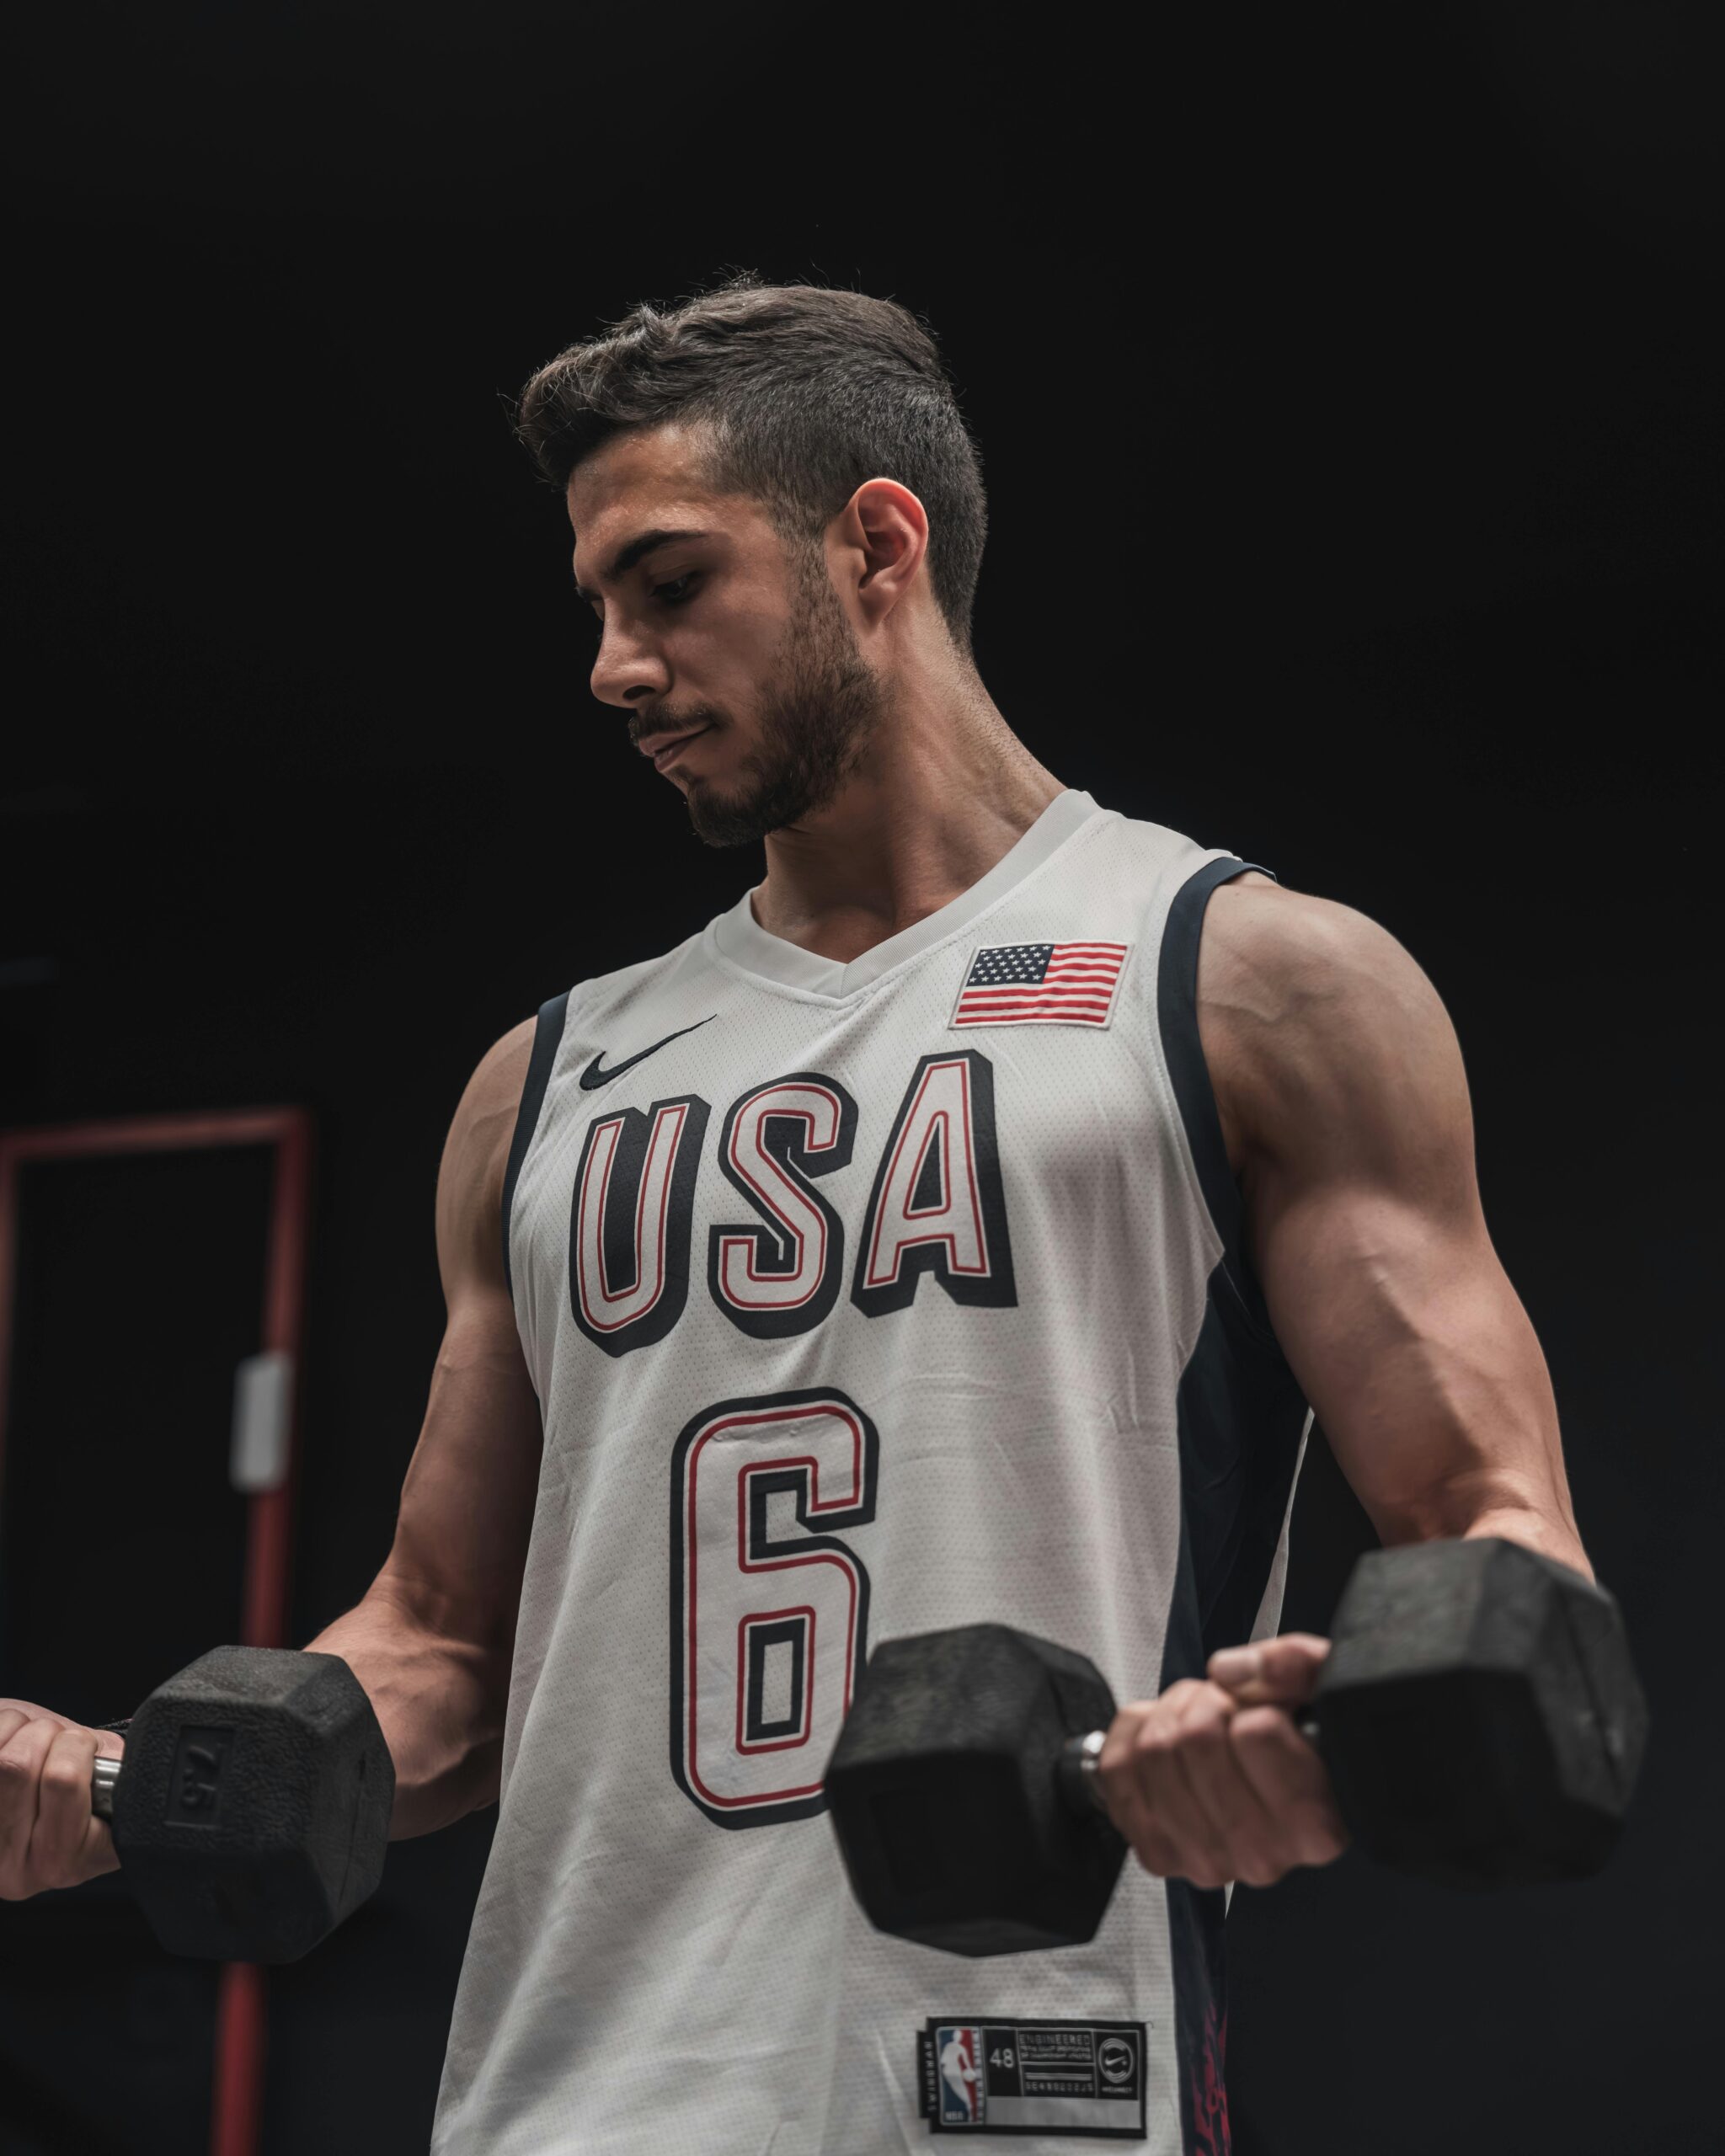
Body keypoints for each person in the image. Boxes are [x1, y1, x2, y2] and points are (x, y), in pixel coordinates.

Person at [0, 277, 1594, 2155]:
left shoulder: (1240, 984)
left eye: (668, 583)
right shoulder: (550, 1078)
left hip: (1022, 2079)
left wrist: (1298, 1735)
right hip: (562, 2093)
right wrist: (119, 1775)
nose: (612, 663)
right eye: (593, 603)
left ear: (875, 544)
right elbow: (442, 1645)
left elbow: (1502, 1554)